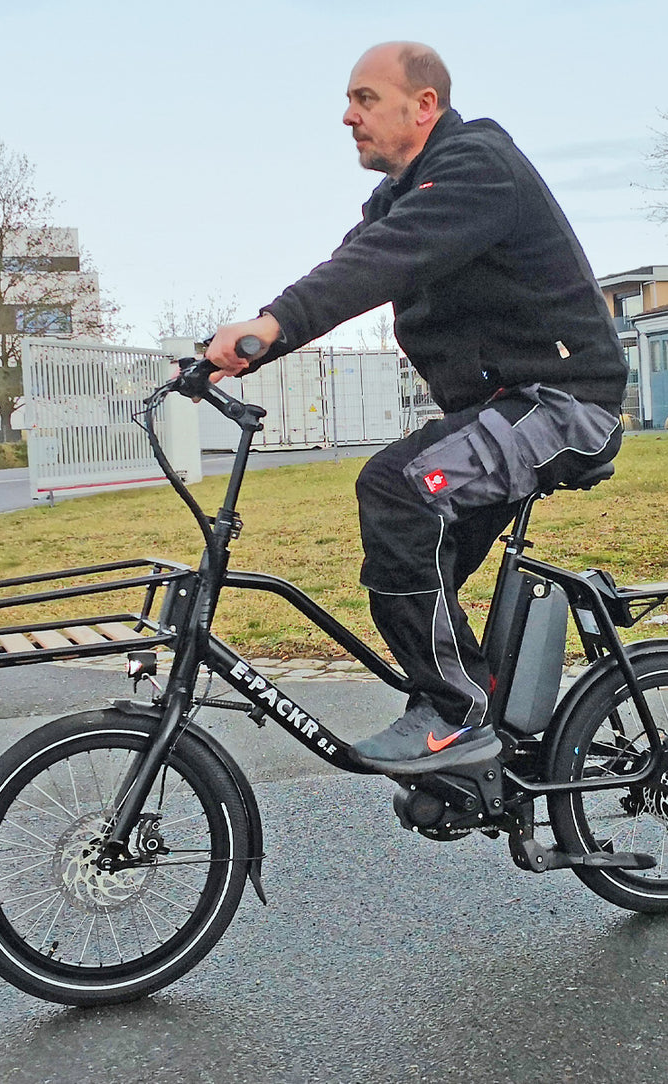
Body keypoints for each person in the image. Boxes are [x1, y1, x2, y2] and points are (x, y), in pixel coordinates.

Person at [205, 42, 626, 771]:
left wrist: (272, 323)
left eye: (365, 98)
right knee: (407, 566)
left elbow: (385, 260)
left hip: (560, 405)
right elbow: (349, 264)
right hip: (496, 414)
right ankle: (479, 739)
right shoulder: (400, 198)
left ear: (422, 104)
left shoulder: (477, 167)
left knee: (396, 487)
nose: (347, 116)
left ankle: (456, 717)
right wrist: (249, 347)